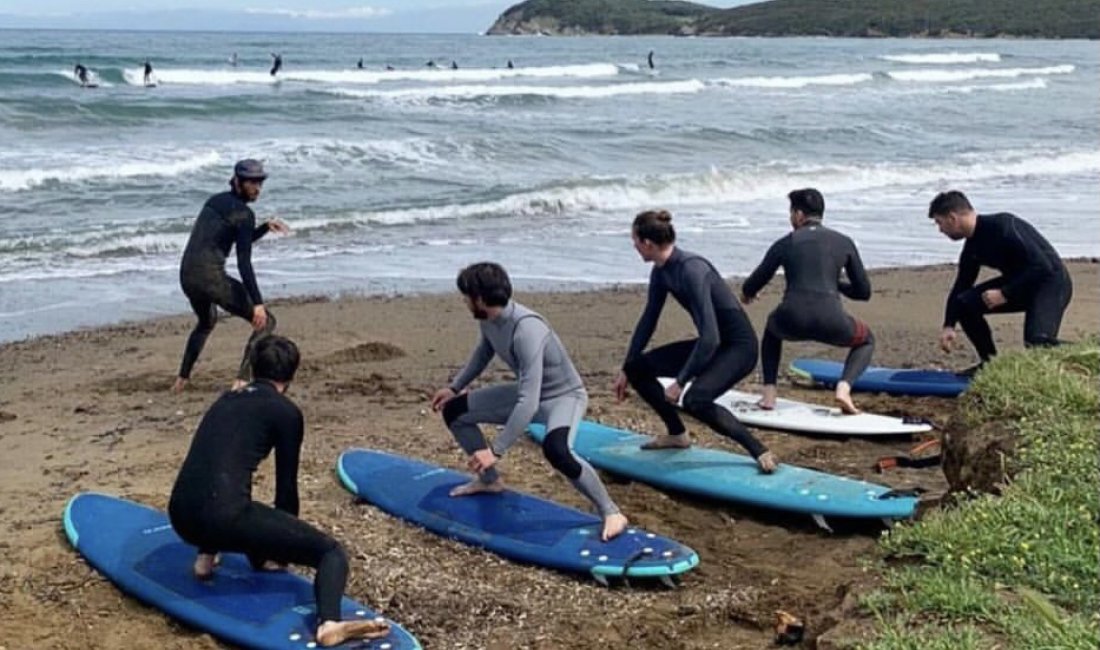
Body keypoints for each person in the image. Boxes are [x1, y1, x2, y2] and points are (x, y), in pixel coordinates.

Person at [168, 336, 389, 647]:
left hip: (180, 515)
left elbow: (210, 462)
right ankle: (329, 624)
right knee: (330, 553)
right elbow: (286, 488)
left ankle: (205, 560)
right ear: (292, 374)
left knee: (225, 490)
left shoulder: (225, 399)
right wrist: (280, 552)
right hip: (223, 517)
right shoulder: (285, 412)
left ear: (254, 367)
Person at [431, 262, 629, 541]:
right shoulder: (489, 320)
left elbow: (528, 401)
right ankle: (490, 482)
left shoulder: (527, 329)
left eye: (466, 296)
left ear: (480, 299)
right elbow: (483, 353)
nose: (464, 301)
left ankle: (611, 512)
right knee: (455, 411)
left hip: (563, 397)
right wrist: (455, 387)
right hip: (531, 392)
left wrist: (496, 450)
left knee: (558, 451)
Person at [614, 210, 777, 473]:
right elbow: (648, 320)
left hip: (738, 348)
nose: (633, 245)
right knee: (637, 367)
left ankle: (758, 449)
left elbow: (711, 336)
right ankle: (677, 434)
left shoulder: (692, 269)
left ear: (647, 243)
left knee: (695, 400)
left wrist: (680, 381)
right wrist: (626, 367)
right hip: (712, 345)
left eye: (634, 240)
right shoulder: (661, 272)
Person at [741, 189, 873, 414]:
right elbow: (863, 292)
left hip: (792, 319)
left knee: (773, 328)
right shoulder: (844, 242)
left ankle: (769, 394)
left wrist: (748, 294)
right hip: (833, 320)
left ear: (799, 215)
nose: (791, 218)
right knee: (866, 339)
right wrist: (835, 282)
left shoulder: (786, 242)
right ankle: (844, 388)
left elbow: (755, 281)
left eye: (791, 213)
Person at [173, 159, 289, 393]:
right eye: (251, 183)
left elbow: (234, 237)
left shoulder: (215, 201)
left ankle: (181, 380)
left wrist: (265, 227)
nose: (257, 188)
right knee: (266, 322)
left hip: (187, 275)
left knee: (206, 322)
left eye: (259, 183)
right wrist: (257, 303)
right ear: (237, 182)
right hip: (210, 278)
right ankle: (242, 381)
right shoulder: (244, 214)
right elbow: (243, 261)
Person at [929, 190, 1072, 373]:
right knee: (964, 304)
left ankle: (1092, 354)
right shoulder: (972, 248)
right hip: (1021, 285)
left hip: (1052, 284)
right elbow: (961, 287)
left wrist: (1005, 293)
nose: (940, 230)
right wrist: (949, 325)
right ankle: (990, 364)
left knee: (1037, 343)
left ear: (952, 218)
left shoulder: (1003, 226)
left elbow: (1042, 266)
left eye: (939, 223)